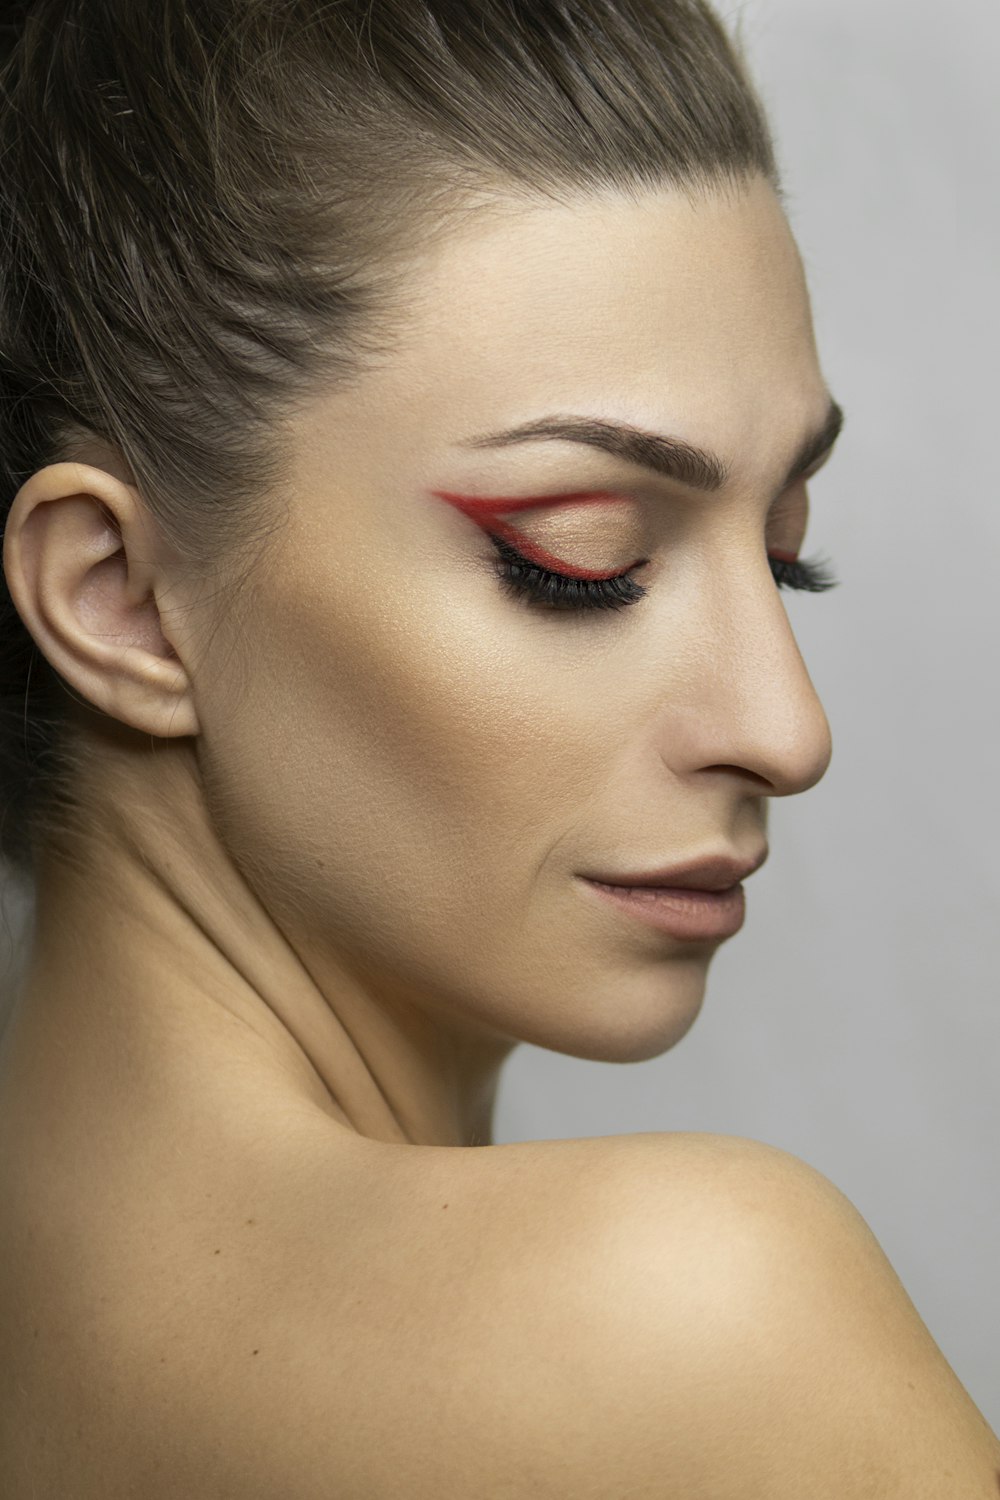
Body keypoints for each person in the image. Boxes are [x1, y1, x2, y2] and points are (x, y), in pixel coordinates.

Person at [0, 0, 997, 1493]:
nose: (788, 731)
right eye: (578, 559)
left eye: (785, 555)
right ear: (124, 601)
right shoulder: (693, 1321)